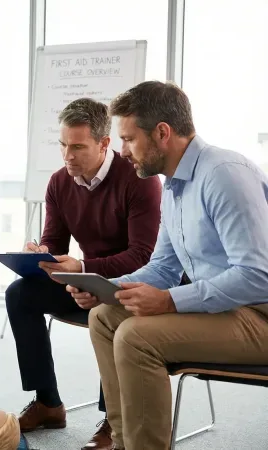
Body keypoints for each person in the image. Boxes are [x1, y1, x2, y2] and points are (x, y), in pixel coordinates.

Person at [67, 81, 268, 450]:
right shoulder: (174, 186)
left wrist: (170, 302)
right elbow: (162, 268)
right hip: (226, 311)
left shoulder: (223, 174)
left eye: (129, 139)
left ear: (162, 133)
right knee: (106, 318)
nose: (123, 152)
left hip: (259, 316)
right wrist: (105, 287)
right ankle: (126, 443)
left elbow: (257, 276)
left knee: (136, 336)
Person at [4, 97, 161, 449]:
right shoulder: (60, 183)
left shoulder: (139, 180)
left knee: (112, 310)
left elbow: (144, 255)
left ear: (104, 144)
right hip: (85, 282)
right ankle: (48, 402)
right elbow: (55, 243)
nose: (67, 155)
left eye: (77, 147)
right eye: (63, 145)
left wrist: (86, 270)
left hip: (131, 286)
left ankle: (113, 419)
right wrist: (42, 255)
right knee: (20, 294)